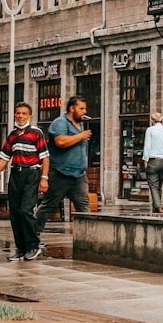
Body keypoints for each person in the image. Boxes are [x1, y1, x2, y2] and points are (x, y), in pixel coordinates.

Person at [0, 103, 50, 261]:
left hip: (32, 174)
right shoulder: (12, 135)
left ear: (30, 116)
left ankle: (33, 245)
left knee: (25, 211)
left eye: (24, 113)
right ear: (14, 115)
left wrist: (44, 178)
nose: (20, 116)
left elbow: (45, 158)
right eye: (18, 113)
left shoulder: (37, 133)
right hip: (15, 175)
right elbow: (4, 158)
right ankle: (21, 249)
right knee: (15, 213)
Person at [35, 96, 92, 235]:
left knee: (84, 208)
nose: (84, 111)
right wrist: (81, 136)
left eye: (85, 109)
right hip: (60, 173)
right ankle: (32, 234)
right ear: (72, 108)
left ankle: (86, 237)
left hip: (79, 175)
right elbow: (61, 141)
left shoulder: (80, 124)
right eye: (81, 108)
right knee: (48, 206)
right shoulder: (60, 123)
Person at [142, 112, 163, 213]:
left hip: (153, 160)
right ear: (162, 120)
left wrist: (145, 159)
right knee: (159, 185)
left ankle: (158, 206)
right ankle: (156, 207)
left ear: (152, 121)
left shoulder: (150, 130)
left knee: (153, 185)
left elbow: (147, 146)